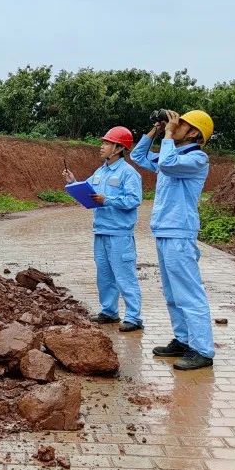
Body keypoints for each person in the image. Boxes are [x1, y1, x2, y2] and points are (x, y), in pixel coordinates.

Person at [130, 109, 215, 371]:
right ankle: (183, 340)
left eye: (181, 123)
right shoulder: (173, 154)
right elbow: (138, 156)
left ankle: (202, 350)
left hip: (180, 232)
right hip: (165, 231)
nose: (175, 125)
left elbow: (166, 165)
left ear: (193, 132)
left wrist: (167, 135)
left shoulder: (197, 159)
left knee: (189, 293)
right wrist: (157, 129)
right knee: (172, 293)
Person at [62, 126, 144, 333]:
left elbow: (134, 200)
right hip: (101, 231)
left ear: (118, 148)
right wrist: (73, 182)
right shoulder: (101, 171)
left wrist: (108, 199)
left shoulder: (128, 173)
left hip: (120, 234)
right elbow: (88, 188)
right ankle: (109, 311)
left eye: (106, 143)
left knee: (125, 276)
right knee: (104, 275)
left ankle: (134, 317)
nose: (102, 146)